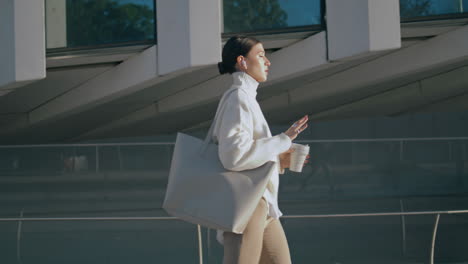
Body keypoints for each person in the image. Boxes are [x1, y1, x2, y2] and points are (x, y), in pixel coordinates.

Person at [214, 35, 310, 264]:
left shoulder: (246, 98)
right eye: (260, 55)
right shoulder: (238, 98)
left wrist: (278, 160)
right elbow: (233, 156)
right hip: (248, 204)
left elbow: (246, 153)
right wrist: (283, 139)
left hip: (262, 203)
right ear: (242, 62)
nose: (268, 61)